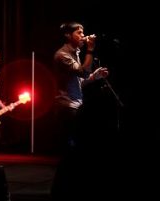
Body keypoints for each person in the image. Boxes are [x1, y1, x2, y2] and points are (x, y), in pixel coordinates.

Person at [50, 21, 109, 200]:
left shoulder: (74, 54)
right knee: (70, 153)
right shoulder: (62, 55)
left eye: (83, 31)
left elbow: (80, 81)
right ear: (68, 35)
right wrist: (90, 50)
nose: (83, 35)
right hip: (67, 108)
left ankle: (66, 190)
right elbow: (82, 72)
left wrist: (95, 76)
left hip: (75, 105)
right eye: (79, 32)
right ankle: (59, 192)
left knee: (74, 153)